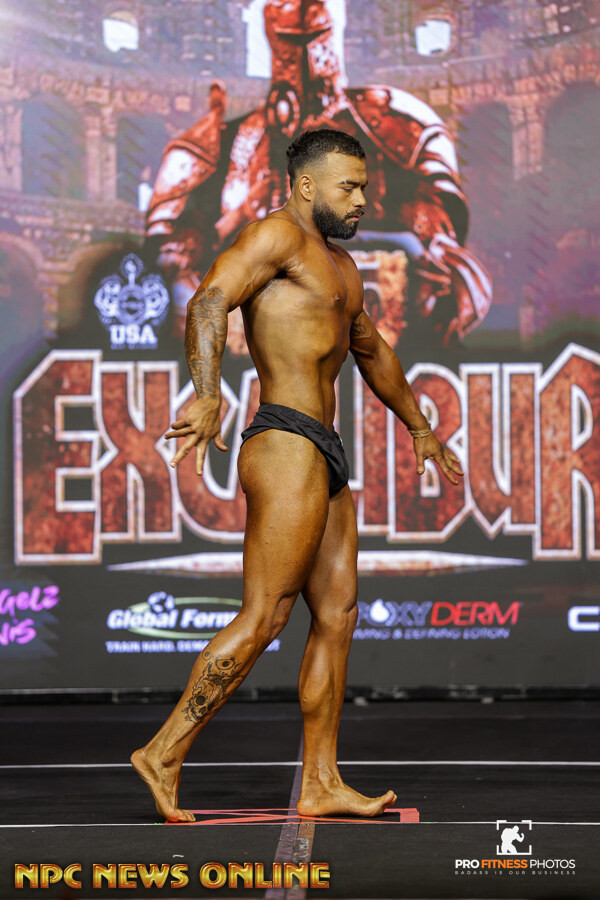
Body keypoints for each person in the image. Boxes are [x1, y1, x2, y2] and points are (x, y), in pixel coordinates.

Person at [131, 129, 463, 823]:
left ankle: (320, 780)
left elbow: (373, 352)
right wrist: (208, 393)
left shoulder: (340, 266)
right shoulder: (275, 237)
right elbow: (209, 300)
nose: (362, 200)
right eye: (350, 186)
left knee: (338, 615)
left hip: (324, 449)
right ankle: (163, 751)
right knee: (266, 615)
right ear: (307, 185)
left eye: (364, 186)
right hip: (284, 439)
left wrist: (420, 427)